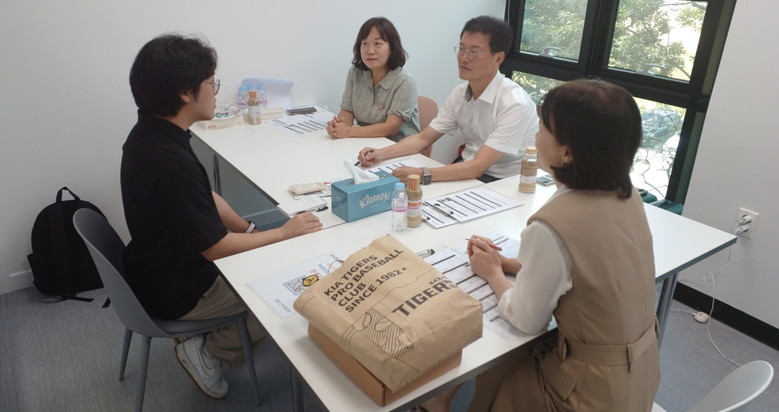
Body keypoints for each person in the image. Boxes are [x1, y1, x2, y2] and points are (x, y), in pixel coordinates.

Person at [421, 79, 660, 412]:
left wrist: (493, 274)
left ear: (567, 152)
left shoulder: (553, 224)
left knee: (496, 349)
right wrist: (508, 264)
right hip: (640, 372)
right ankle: (440, 399)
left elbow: (525, 318)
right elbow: (587, 268)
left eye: (544, 128)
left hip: (587, 393)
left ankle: (438, 400)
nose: (536, 134)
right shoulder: (627, 194)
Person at [121, 33, 322, 400]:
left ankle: (211, 336)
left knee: (276, 249)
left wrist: (250, 228)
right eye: (211, 82)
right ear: (185, 93)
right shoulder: (170, 164)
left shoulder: (153, 133)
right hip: (182, 290)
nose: (215, 91)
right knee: (297, 282)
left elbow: (205, 198)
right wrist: (283, 234)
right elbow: (215, 248)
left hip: (155, 266)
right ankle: (210, 352)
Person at [357, 15, 538, 185]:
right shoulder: (459, 93)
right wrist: (380, 154)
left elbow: (478, 167)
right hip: (468, 168)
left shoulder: (514, 103)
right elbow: (423, 139)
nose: (463, 58)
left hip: (505, 182)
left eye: (474, 52)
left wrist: (421, 173)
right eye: (462, 48)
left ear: (498, 58)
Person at [326, 17, 419, 144]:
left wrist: (349, 131)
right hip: (364, 142)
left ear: (392, 48)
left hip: (397, 146)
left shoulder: (405, 81)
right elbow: (348, 110)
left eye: (377, 44)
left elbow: (391, 127)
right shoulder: (355, 72)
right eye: (365, 43)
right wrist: (338, 127)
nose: (370, 51)